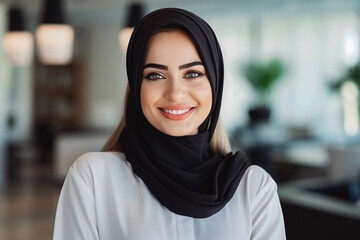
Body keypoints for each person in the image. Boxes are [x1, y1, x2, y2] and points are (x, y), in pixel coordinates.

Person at [53, 8, 286, 240]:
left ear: (215, 82)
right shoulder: (93, 178)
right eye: (155, 75)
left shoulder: (254, 188)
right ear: (136, 87)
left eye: (193, 73)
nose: (175, 94)